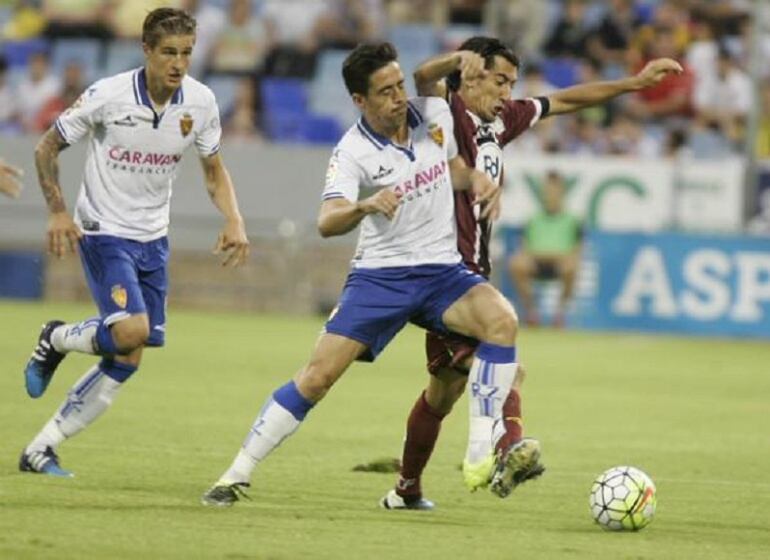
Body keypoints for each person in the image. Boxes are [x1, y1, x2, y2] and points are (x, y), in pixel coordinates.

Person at [202, 41, 525, 507]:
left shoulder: (430, 115)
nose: (399, 98)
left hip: (441, 273)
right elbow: (326, 221)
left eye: (398, 86)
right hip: (381, 278)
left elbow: (449, 156)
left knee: (503, 321)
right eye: (385, 91)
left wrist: (476, 179)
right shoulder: (351, 152)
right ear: (360, 100)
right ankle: (235, 474)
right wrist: (365, 205)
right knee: (316, 378)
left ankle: (478, 447)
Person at [379, 37, 682, 510]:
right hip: (442, 275)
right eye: (500, 81)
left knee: (442, 395)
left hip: (470, 274)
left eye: (513, 84)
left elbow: (566, 99)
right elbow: (422, 77)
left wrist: (634, 84)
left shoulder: (500, 122)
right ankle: (506, 450)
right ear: (473, 75)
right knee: (507, 369)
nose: (508, 92)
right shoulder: (441, 112)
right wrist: (454, 61)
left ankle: (406, 489)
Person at [19, 7, 249, 477]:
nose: (178, 63)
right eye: (168, 52)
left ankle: (41, 448)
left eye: (186, 53)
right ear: (146, 50)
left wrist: (234, 219)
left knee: (130, 355)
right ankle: (57, 338)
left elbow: (213, 170)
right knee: (130, 330)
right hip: (103, 229)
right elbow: (47, 146)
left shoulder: (200, 103)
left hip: (152, 237)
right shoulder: (108, 95)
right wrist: (58, 211)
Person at [509, 170, 583, 327]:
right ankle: (531, 312)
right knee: (517, 264)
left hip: (560, 265)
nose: (550, 194)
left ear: (562, 192)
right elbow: (525, 249)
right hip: (537, 263)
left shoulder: (572, 221)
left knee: (572, 266)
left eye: (554, 190)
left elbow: (576, 252)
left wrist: (553, 255)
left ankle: (560, 314)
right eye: (547, 190)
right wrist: (551, 254)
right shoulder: (533, 219)